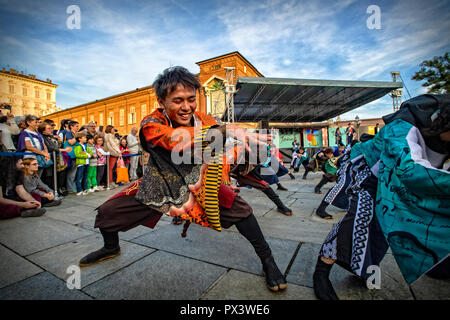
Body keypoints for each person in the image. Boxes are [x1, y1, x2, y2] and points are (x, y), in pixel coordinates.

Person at [78, 66, 288, 292]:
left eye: (191, 99)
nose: (186, 107)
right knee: (108, 212)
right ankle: (111, 247)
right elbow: (173, 138)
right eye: (178, 101)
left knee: (243, 213)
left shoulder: (202, 118)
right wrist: (228, 132)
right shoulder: (152, 122)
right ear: (161, 101)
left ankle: (268, 261)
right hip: (160, 183)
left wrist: (238, 135)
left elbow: (220, 129)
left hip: (199, 182)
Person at [313, 94, 450, 300]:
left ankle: (368, 267)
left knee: (385, 228)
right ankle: (321, 271)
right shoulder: (404, 124)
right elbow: (408, 169)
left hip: (398, 183)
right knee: (361, 217)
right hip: (367, 171)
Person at [38, 122, 72, 196]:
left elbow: (58, 145)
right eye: (48, 128)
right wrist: (63, 150)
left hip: (58, 158)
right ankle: (51, 191)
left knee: (60, 174)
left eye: (51, 128)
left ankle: (58, 189)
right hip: (50, 158)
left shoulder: (52, 137)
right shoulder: (42, 137)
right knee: (50, 176)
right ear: (43, 130)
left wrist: (60, 142)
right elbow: (50, 148)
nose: (51, 130)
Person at [74, 131, 93, 196]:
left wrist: (87, 154)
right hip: (81, 163)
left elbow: (90, 152)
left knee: (85, 176)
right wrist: (86, 155)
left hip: (86, 163)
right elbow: (77, 154)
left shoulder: (85, 145)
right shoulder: (77, 146)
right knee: (79, 177)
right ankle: (79, 190)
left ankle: (85, 189)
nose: (86, 139)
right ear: (79, 138)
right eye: (84, 138)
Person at [63, 120, 79, 193]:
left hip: (76, 155)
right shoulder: (69, 133)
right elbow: (71, 142)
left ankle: (73, 187)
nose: (78, 128)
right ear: (71, 126)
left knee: (74, 173)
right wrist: (76, 136)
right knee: (71, 173)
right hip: (70, 155)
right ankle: (70, 188)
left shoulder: (75, 133)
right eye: (76, 126)